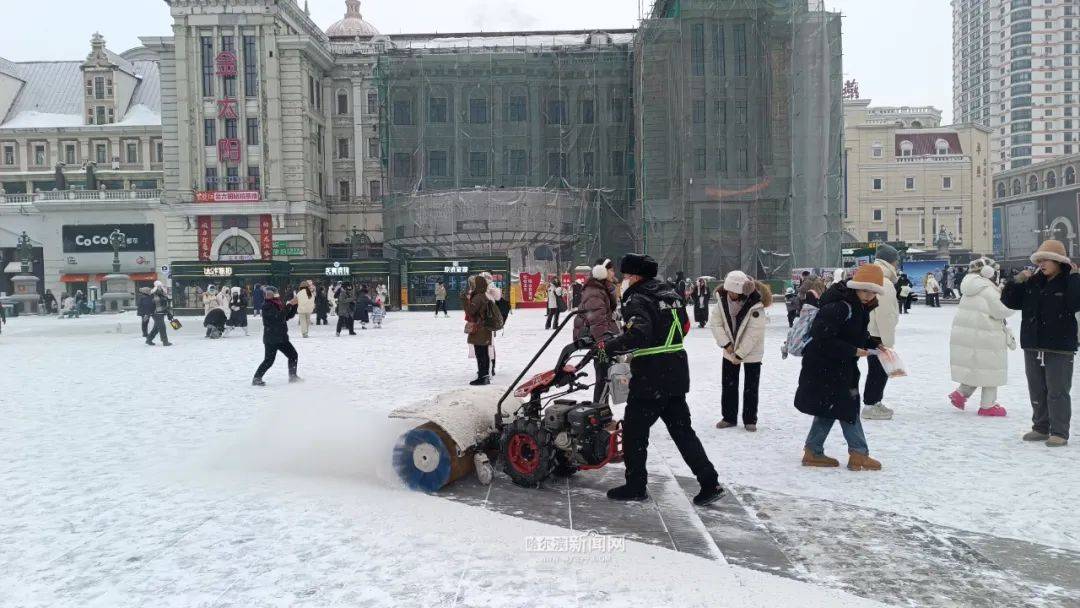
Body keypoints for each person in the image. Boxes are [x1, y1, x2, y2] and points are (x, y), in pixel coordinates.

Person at [596, 253, 723, 506]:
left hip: (650, 376)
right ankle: (709, 483)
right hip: (675, 371)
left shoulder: (637, 297)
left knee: (634, 432)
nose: (623, 280)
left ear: (634, 276)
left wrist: (608, 348)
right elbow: (684, 327)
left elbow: (639, 334)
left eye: (625, 275)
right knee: (683, 432)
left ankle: (635, 485)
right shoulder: (670, 294)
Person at [795, 264, 885, 471]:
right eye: (864, 290)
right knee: (848, 408)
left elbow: (853, 333)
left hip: (838, 366)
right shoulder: (840, 306)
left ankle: (813, 451)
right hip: (825, 366)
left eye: (872, 291)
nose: (868, 295)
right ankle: (858, 454)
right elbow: (821, 339)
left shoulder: (859, 306)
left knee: (831, 408)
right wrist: (853, 351)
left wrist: (874, 344)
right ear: (855, 287)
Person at [1001, 239, 1080, 447]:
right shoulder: (1033, 282)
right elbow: (1009, 302)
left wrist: (1075, 278)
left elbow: (1075, 303)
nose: (1042, 264)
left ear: (1058, 262)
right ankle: (1040, 427)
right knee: (1037, 389)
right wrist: (1017, 281)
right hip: (1033, 343)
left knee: (1057, 390)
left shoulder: (1068, 281)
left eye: (1047, 260)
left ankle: (1059, 432)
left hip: (1060, 346)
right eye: (1040, 260)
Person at [948, 257, 1014, 417]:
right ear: (988, 272)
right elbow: (1002, 310)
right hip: (987, 335)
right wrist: (1009, 298)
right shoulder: (987, 289)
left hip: (972, 334)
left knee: (977, 367)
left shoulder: (970, 287)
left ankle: (961, 394)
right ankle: (988, 405)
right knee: (991, 370)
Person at [709, 270, 771, 432]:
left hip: (752, 352)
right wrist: (727, 345)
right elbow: (716, 324)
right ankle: (728, 417)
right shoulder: (721, 302)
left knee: (751, 386)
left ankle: (750, 419)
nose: (731, 295)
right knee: (728, 385)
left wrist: (740, 353)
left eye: (734, 292)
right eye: (729, 291)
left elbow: (754, 333)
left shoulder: (756, 304)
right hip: (729, 350)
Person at [862, 244, 901, 421]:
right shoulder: (884, 282)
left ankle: (873, 402)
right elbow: (884, 314)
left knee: (876, 369)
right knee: (878, 370)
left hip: (869, 331)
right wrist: (887, 342)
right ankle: (871, 404)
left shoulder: (873, 277)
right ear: (891, 261)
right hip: (878, 334)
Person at [574, 259, 620, 403]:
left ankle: (601, 411)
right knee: (603, 376)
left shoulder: (602, 288)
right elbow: (597, 320)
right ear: (603, 271)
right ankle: (600, 411)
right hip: (598, 340)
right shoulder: (595, 290)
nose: (614, 273)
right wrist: (604, 343)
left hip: (602, 338)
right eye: (611, 270)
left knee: (605, 375)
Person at [253, 286, 300, 386]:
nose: (272, 294)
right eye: (269, 293)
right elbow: (278, 317)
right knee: (269, 360)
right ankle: (256, 378)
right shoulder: (266, 305)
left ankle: (293, 376)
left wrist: (294, 305)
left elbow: (287, 316)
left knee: (293, 355)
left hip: (281, 337)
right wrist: (289, 305)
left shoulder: (277, 303)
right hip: (272, 338)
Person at [464, 274, 495, 385]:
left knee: (480, 353)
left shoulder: (478, 297)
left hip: (479, 329)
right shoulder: (484, 296)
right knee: (484, 353)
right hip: (485, 328)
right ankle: (485, 375)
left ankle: (482, 377)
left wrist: (464, 300)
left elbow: (470, 311)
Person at [145, 281, 174, 347]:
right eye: (158, 286)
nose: (160, 287)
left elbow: (165, 304)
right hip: (156, 313)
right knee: (162, 327)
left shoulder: (163, 294)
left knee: (157, 328)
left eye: (160, 286)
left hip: (162, 312)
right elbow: (150, 305)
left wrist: (168, 313)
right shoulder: (152, 294)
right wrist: (149, 313)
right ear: (156, 287)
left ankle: (149, 339)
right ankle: (165, 341)